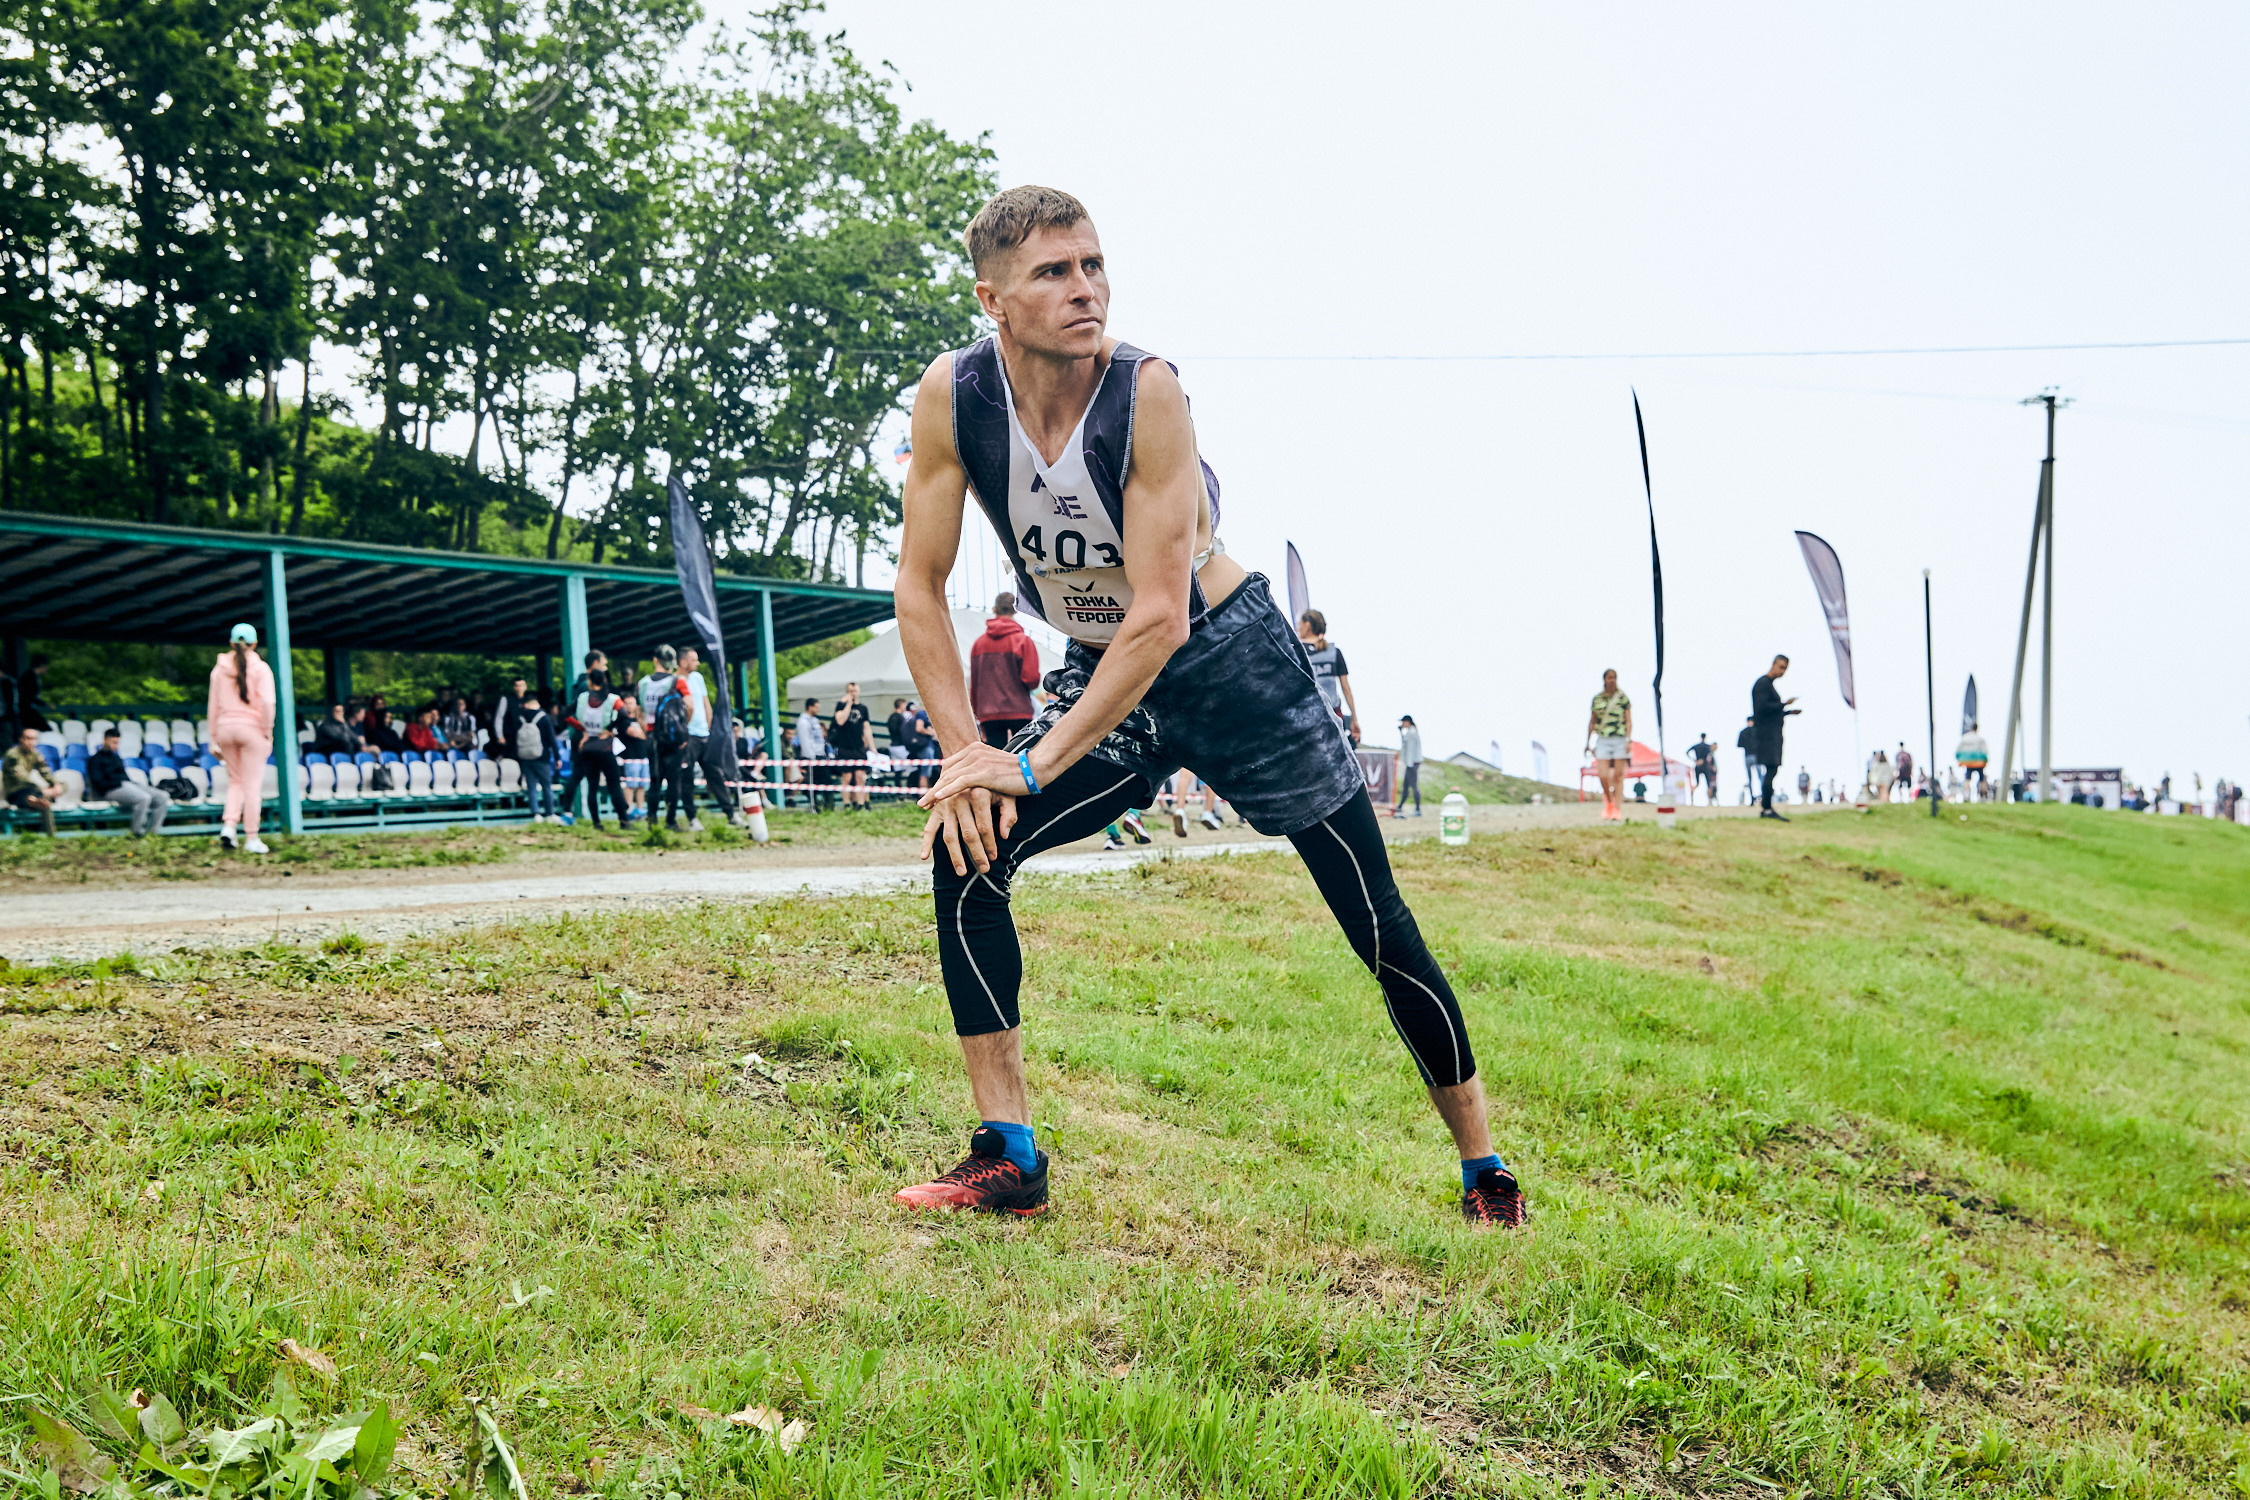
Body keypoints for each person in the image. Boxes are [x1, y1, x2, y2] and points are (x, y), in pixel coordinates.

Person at [887, 184, 1522, 1227]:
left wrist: (1031, 763)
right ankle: (1009, 1156)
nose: (1086, 289)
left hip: (1231, 663)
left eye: (1094, 265)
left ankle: (1484, 1170)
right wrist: (968, 759)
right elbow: (919, 584)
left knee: (1375, 920)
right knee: (971, 847)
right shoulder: (954, 399)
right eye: (1054, 273)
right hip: (1101, 667)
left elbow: (1159, 619)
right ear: (993, 301)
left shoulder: (1147, 393)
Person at [207, 623, 277, 852]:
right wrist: (267, 731)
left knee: (235, 781)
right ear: (255, 644)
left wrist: (213, 738)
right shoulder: (261, 669)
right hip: (252, 729)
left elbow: (213, 706)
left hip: (225, 728)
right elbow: (268, 702)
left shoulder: (218, 670)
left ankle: (228, 827)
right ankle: (252, 837)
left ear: (230, 643)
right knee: (252, 785)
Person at [677, 646, 739, 827]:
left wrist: (709, 729)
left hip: (704, 734)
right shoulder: (675, 681)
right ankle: (692, 818)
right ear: (683, 662)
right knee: (686, 778)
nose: (697, 663)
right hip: (688, 737)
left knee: (716, 775)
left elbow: (706, 705)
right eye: (693, 660)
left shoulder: (697, 678)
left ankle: (731, 813)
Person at [972, 591, 1043, 747]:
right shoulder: (1023, 641)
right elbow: (1031, 679)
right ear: (1015, 610)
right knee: (1021, 758)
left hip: (988, 713)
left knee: (996, 758)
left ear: (994, 609)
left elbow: (974, 684)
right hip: (1019, 709)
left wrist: (978, 712)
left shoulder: (979, 644)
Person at [559, 670, 627, 828]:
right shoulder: (612, 699)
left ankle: (596, 822)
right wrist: (610, 728)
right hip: (605, 745)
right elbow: (624, 714)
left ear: (590, 681)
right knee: (613, 784)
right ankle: (623, 820)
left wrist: (581, 728)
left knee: (592, 786)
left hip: (588, 744)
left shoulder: (582, 698)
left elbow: (564, 714)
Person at [87, 725, 170, 837]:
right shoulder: (94, 760)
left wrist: (129, 784)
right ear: (105, 740)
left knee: (162, 796)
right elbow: (100, 783)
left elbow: (124, 777)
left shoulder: (116, 758)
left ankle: (152, 833)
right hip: (109, 790)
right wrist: (121, 783)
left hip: (125, 785)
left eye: (117, 743)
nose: (115, 746)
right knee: (144, 798)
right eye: (113, 742)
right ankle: (136, 833)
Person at [1297, 610, 1359, 746]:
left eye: (1299, 624)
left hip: (1305, 716)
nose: (1297, 628)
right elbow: (1346, 688)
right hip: (1333, 715)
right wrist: (1354, 719)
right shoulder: (1334, 652)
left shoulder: (1296, 650)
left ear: (1307, 626)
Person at [1749, 654, 1799, 821]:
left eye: (1785, 669)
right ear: (1774, 664)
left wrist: (1788, 712)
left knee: (1772, 770)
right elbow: (1762, 709)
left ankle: (1767, 806)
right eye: (1781, 667)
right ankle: (1767, 808)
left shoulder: (1768, 685)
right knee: (1770, 770)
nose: (1782, 671)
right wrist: (1784, 704)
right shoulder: (1763, 684)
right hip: (1767, 736)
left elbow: (1770, 711)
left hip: (1772, 734)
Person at [1584, 668, 1632, 822]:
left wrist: (1628, 740)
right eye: (1609, 677)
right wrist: (1587, 742)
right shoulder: (1597, 699)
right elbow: (1592, 721)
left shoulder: (1623, 698)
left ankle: (1616, 810)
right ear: (1604, 679)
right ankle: (1610, 802)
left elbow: (1628, 720)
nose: (1612, 680)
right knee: (1602, 774)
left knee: (1618, 776)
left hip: (1619, 738)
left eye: (1614, 677)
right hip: (1603, 739)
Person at [3, 724, 59, 835]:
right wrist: (42, 789)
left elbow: (45, 771)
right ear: (21, 739)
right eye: (28, 738)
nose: (31, 742)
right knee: (35, 796)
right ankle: (37, 801)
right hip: (14, 791)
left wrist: (55, 784)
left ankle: (38, 801)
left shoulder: (35, 754)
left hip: (31, 790)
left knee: (59, 788)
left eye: (34, 739)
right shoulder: (12, 755)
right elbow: (21, 776)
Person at [514, 692, 559, 822]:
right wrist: (557, 757)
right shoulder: (543, 718)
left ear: (526, 705)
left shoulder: (520, 718)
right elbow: (551, 739)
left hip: (525, 757)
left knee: (531, 786)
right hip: (542, 756)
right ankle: (549, 813)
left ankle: (535, 814)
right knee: (546, 785)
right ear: (536, 703)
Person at [830, 683, 872, 811]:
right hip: (844, 747)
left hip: (858, 747)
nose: (853, 693)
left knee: (860, 777)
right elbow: (840, 721)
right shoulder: (841, 705)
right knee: (847, 777)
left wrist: (871, 746)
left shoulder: (863, 708)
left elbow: (866, 728)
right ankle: (847, 803)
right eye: (850, 691)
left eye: (855, 690)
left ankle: (860, 804)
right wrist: (848, 704)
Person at [617, 698, 651, 820]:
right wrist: (646, 734)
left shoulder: (641, 719)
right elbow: (638, 733)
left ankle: (640, 808)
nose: (629, 706)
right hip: (630, 758)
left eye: (631, 703)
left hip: (643, 756)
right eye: (626, 703)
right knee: (630, 784)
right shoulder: (623, 721)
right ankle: (629, 808)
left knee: (642, 785)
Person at [794, 696, 830, 811]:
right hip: (811, 756)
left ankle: (827, 805)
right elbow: (805, 740)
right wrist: (810, 757)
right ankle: (814, 805)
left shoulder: (815, 721)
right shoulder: (803, 722)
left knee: (825, 781)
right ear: (810, 707)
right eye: (816, 707)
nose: (818, 710)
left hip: (820, 754)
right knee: (812, 782)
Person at [1393, 714, 1423, 817]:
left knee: (1413, 786)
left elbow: (1409, 750)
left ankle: (1418, 809)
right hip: (1411, 762)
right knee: (1406, 785)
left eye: (1403, 722)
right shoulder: (1411, 732)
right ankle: (1400, 806)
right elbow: (1405, 744)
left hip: (1412, 763)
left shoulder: (1411, 732)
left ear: (1407, 722)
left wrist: (1409, 765)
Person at [14, 654, 52, 734]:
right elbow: (28, 695)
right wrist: (44, 703)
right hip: (26, 710)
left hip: (27, 709)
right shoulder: (29, 676)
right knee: (46, 730)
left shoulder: (32, 676)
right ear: (42, 665)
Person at [1956, 721, 1989, 795]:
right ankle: (1983, 794)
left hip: (1969, 762)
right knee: (1981, 779)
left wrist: (1959, 758)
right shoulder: (1980, 740)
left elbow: (1958, 750)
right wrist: (1986, 760)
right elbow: (1985, 751)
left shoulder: (1965, 738)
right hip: (1978, 762)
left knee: (1967, 778)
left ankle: (1966, 794)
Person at [1689, 733, 1717, 806]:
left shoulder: (1696, 746)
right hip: (1705, 766)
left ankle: (1691, 799)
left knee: (1697, 783)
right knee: (1708, 784)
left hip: (1697, 765)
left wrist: (1695, 760)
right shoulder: (1707, 746)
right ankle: (1709, 800)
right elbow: (1711, 755)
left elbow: (1687, 752)